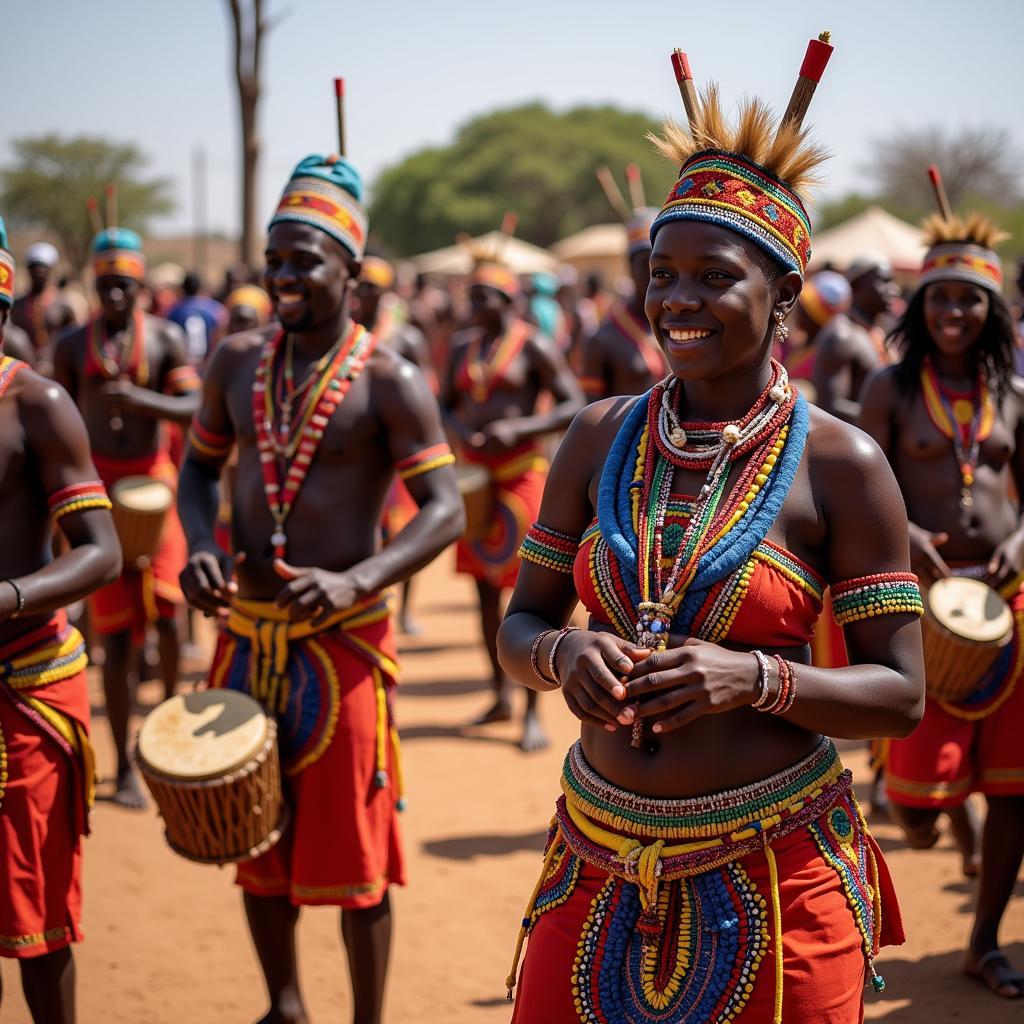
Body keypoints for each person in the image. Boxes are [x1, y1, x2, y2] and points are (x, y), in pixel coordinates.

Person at [497, 63, 925, 1022]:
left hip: (778, 879)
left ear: (783, 296)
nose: (676, 301)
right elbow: (519, 624)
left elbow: (901, 695)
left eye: (713, 277)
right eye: (662, 275)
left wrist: (754, 679)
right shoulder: (598, 435)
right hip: (597, 861)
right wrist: (563, 653)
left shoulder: (843, 462)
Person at [178, 152, 463, 1024]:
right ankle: (285, 1007)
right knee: (255, 835)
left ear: (351, 268)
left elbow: (443, 510)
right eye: (276, 259)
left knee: (356, 850)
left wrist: (359, 578)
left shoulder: (390, 381)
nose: (284, 277)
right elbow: (195, 474)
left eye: (305, 260)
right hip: (248, 634)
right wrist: (197, 544)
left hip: (343, 647)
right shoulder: (234, 362)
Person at [860, 203, 1024, 1000]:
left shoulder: (1011, 389)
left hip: (1007, 602)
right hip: (917, 600)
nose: (953, 313)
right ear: (919, 307)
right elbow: (859, 491)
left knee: (1017, 790)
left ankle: (985, 942)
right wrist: (910, 543)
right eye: (939, 298)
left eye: (969, 299)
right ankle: (943, 815)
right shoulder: (889, 387)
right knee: (915, 814)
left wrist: (1019, 546)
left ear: (991, 309)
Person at [0, 215, 121, 1023]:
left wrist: (9, 596)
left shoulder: (36, 403)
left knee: (35, 926)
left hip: (25, 682)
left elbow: (102, 550)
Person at [52, 227, 200, 809]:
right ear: (94, 283)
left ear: (141, 286)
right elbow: (51, 412)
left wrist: (141, 401)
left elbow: (193, 407)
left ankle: (164, 739)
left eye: (125, 286)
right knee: (113, 635)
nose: (115, 296)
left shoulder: (163, 340)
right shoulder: (70, 345)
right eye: (106, 285)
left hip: (154, 485)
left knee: (167, 617)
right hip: (96, 492)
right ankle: (122, 769)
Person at [441, 252, 585, 752]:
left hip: (523, 478)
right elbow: (444, 402)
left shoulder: (535, 345)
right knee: (483, 591)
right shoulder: (463, 347)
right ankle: (499, 693)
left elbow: (570, 403)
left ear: (506, 300)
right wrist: (462, 432)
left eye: (483, 297)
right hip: (478, 480)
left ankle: (530, 709)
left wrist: (519, 428)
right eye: (472, 296)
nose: (473, 305)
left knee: (534, 595)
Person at [355, 255, 437, 634]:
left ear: (386, 292)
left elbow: (427, 390)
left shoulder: (406, 338)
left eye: (371, 285)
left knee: (403, 531)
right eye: (359, 284)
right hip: (359, 453)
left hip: (401, 453)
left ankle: (403, 608)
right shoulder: (344, 338)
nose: (361, 291)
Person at [580, 208, 667, 401]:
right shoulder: (603, 339)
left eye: (662, 264)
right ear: (630, 268)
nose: (654, 272)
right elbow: (592, 414)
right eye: (645, 263)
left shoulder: (688, 324)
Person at [812, 255, 893, 422]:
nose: (893, 289)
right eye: (883, 282)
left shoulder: (876, 332)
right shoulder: (842, 335)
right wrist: (889, 416)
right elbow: (830, 407)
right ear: (856, 286)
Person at [781, 269, 852, 390]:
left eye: (804, 308)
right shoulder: (799, 344)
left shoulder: (821, 356)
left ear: (814, 317)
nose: (796, 311)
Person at [11, 242, 76, 371]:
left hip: (56, 368)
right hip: (23, 368)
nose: (39, 272)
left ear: (50, 271)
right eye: (34, 268)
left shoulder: (63, 305)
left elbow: (73, 339)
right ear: (28, 271)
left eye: (43, 268)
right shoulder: (16, 306)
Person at [167, 270, 227, 366]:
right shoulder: (215, 309)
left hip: (183, 365)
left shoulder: (174, 311)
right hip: (209, 364)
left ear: (183, 288)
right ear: (200, 287)